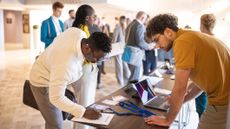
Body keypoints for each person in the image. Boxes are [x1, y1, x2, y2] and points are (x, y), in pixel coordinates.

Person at [145, 14, 230, 129]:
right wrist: (181, 100)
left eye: (156, 40)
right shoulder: (189, 36)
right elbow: (200, 85)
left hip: (223, 100)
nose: (157, 46)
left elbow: (180, 88)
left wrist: (168, 120)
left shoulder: (182, 42)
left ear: (168, 32)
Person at [30, 29, 111, 129]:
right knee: (56, 124)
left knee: (53, 117)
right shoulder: (66, 65)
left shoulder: (78, 32)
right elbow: (56, 98)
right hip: (41, 82)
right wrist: (83, 112)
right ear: (87, 48)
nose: (96, 62)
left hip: (53, 70)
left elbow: (57, 40)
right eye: (96, 58)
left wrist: (50, 57)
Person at [72, 4, 100, 129]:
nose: (95, 19)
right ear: (87, 18)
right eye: (94, 16)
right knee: (84, 104)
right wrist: (99, 55)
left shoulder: (83, 30)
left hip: (87, 71)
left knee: (87, 102)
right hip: (84, 72)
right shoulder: (81, 32)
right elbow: (86, 56)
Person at [194, 13, 216, 118]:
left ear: (202, 24)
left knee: (202, 114)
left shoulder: (204, 42)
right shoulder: (217, 41)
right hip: (212, 88)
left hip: (204, 88)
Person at [124, 11, 154, 83]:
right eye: (145, 19)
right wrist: (149, 46)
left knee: (132, 74)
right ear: (142, 17)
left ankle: (129, 90)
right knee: (134, 77)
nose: (145, 21)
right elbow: (140, 42)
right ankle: (130, 92)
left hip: (127, 51)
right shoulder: (140, 26)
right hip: (135, 54)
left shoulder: (130, 24)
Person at [112, 15, 130, 86]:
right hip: (125, 48)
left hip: (118, 49)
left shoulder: (117, 28)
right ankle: (128, 77)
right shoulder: (127, 28)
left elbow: (114, 40)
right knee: (125, 64)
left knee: (119, 65)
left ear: (120, 20)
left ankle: (120, 82)